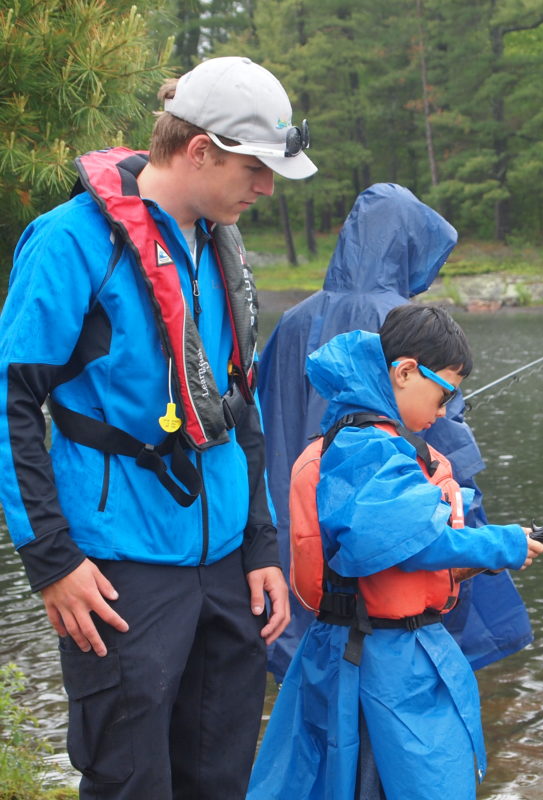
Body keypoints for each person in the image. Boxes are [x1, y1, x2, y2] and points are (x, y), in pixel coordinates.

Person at [0, 56, 316, 799]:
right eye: (256, 168)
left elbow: (242, 404)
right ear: (200, 150)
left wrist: (260, 543)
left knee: (219, 779)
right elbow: (11, 401)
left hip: (227, 570)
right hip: (119, 570)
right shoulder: (72, 241)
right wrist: (51, 558)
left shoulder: (219, 243)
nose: (267, 187)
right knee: (131, 782)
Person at [247, 305, 543, 800]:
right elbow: (410, 545)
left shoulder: (355, 442)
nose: (447, 410)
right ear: (404, 372)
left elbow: (386, 551)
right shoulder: (368, 448)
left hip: (361, 647)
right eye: (444, 392)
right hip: (378, 660)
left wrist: (474, 559)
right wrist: (501, 543)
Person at [258, 183, 533, 683]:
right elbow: (446, 450)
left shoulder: (295, 320)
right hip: (399, 543)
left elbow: (265, 416)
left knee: (326, 657)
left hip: (302, 521)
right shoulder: (400, 322)